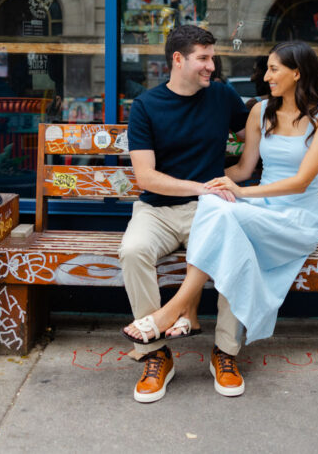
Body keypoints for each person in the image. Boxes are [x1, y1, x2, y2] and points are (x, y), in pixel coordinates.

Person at [122, 40, 318, 397]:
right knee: (217, 213)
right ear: (179, 60)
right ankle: (166, 346)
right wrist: (217, 184)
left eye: (273, 69)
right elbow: (243, 168)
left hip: (297, 215)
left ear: (297, 73)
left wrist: (236, 192)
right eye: (204, 58)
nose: (264, 76)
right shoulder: (259, 112)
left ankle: (183, 313)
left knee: (223, 213)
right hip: (225, 209)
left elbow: (301, 180)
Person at [118, 24, 249, 404]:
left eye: (212, 57)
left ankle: (225, 351)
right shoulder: (146, 105)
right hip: (156, 209)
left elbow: (257, 132)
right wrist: (200, 185)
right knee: (133, 250)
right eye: (204, 58)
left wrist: (311, 122)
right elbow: (146, 176)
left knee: (233, 253)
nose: (212, 66)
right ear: (178, 60)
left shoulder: (223, 97)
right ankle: (155, 353)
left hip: (208, 210)